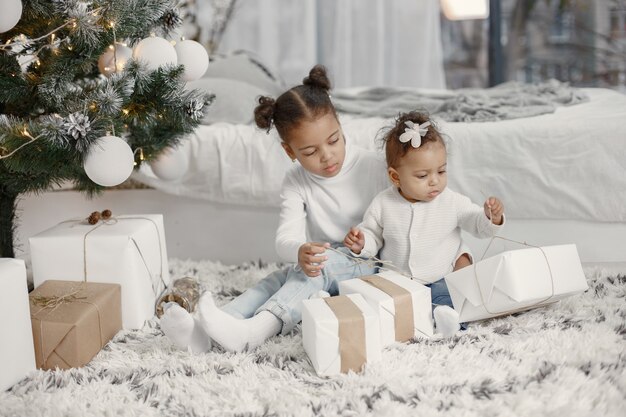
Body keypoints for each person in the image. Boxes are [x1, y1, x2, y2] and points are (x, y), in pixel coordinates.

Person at [160, 65, 389, 352]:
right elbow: (284, 240)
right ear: (289, 151)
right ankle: (204, 333)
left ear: (341, 127)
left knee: (315, 270)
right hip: (321, 260)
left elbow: (394, 220)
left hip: (368, 262)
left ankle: (253, 332)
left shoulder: (373, 166)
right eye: (309, 152)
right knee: (275, 281)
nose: (327, 156)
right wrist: (299, 250)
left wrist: (365, 242)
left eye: (334, 140)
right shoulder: (296, 180)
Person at [343, 111, 505, 337]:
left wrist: (490, 217)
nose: (435, 181)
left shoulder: (451, 201)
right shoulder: (383, 203)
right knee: (381, 307)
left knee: (450, 301)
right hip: (396, 281)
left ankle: (449, 324)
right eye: (422, 175)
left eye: (441, 171)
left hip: (440, 277)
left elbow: (477, 224)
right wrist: (361, 242)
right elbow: (372, 235)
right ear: (395, 177)